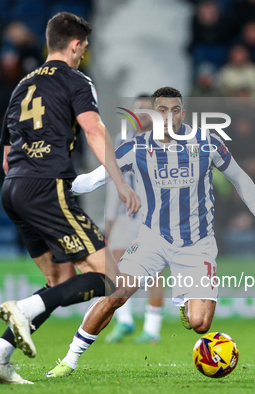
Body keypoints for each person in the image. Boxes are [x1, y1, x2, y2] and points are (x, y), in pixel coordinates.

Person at [46, 87, 255, 378]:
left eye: (174, 110)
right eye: (161, 110)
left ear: (182, 114)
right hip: (152, 239)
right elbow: (93, 180)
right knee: (115, 295)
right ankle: (68, 361)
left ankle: (186, 301)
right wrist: (55, 182)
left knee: (200, 324)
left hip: (198, 244)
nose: (168, 116)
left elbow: (240, 178)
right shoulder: (136, 147)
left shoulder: (206, 142)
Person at [0, 12, 140, 385]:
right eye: (83, 47)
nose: (83, 54)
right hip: (46, 185)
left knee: (59, 278)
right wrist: (120, 181)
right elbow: (94, 128)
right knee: (113, 280)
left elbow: (5, 154)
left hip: (14, 188)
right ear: (76, 44)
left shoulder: (22, 86)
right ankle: (23, 308)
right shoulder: (76, 80)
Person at [103, 95, 165, 344]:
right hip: (127, 215)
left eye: (145, 110)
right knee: (114, 266)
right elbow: (112, 179)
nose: (140, 114)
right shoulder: (121, 139)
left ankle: (153, 328)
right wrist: (109, 218)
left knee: (154, 273)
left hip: (154, 216)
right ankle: (125, 320)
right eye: (137, 109)